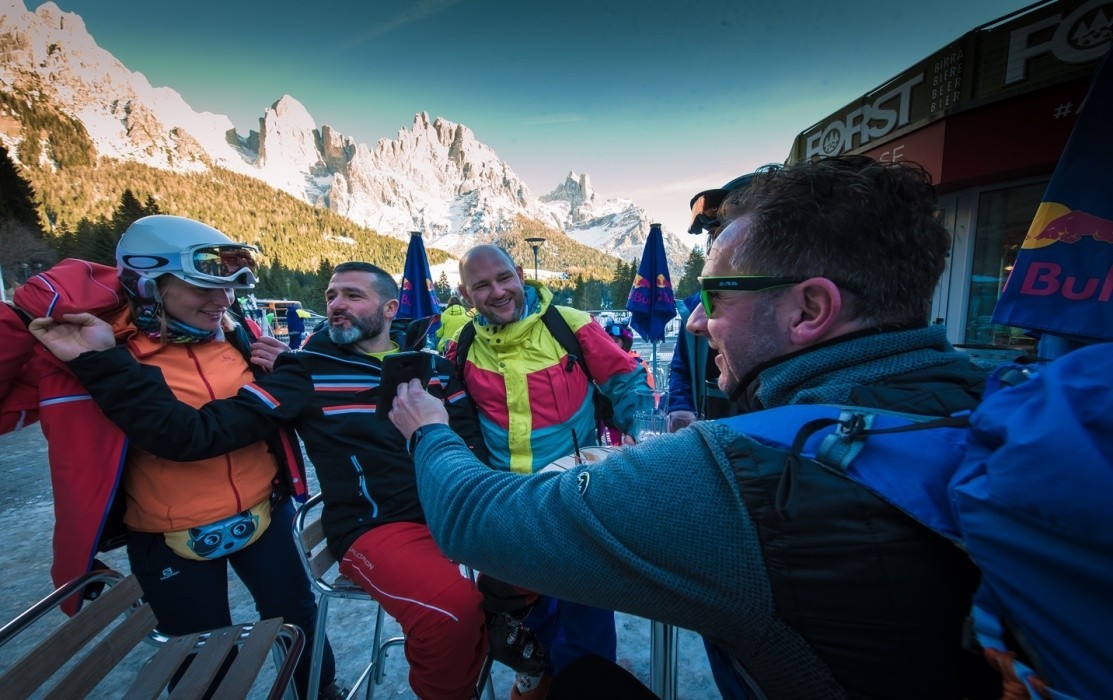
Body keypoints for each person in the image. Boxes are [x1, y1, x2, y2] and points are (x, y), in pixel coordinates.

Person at [390, 157, 999, 698]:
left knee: (584, 665)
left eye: (715, 297)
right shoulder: (993, 403)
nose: (697, 324)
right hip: (521, 483)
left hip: (546, 495)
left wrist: (427, 430)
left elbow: (471, 519)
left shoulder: (738, 471)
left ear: (810, 309)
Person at [31, 260, 495, 700]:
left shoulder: (433, 366)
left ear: (390, 308)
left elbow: (472, 441)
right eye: (331, 295)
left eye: (353, 296)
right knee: (452, 612)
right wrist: (102, 360)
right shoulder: (305, 371)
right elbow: (191, 434)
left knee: (524, 586)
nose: (337, 304)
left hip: (449, 513)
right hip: (373, 526)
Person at [6, 215, 342, 698]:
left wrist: (284, 377)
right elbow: (180, 434)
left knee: (298, 615)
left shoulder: (236, 334)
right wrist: (276, 397)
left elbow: (293, 399)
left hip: (265, 512)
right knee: (199, 653)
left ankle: (320, 689)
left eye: (228, 288)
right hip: (167, 534)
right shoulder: (103, 350)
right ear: (150, 285)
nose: (222, 300)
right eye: (202, 287)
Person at [448, 244, 652, 697]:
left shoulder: (570, 326)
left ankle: (589, 685)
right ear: (465, 294)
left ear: (520, 274)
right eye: (481, 285)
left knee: (586, 608)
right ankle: (542, 677)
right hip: (508, 502)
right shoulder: (462, 346)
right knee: (526, 612)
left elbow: (628, 382)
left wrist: (644, 434)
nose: (497, 291)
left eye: (504, 277)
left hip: (574, 495)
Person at [667, 171, 760, 430]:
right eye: (712, 235)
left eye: (726, 231)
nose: (716, 244)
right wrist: (680, 405)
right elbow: (682, 367)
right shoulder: (694, 309)